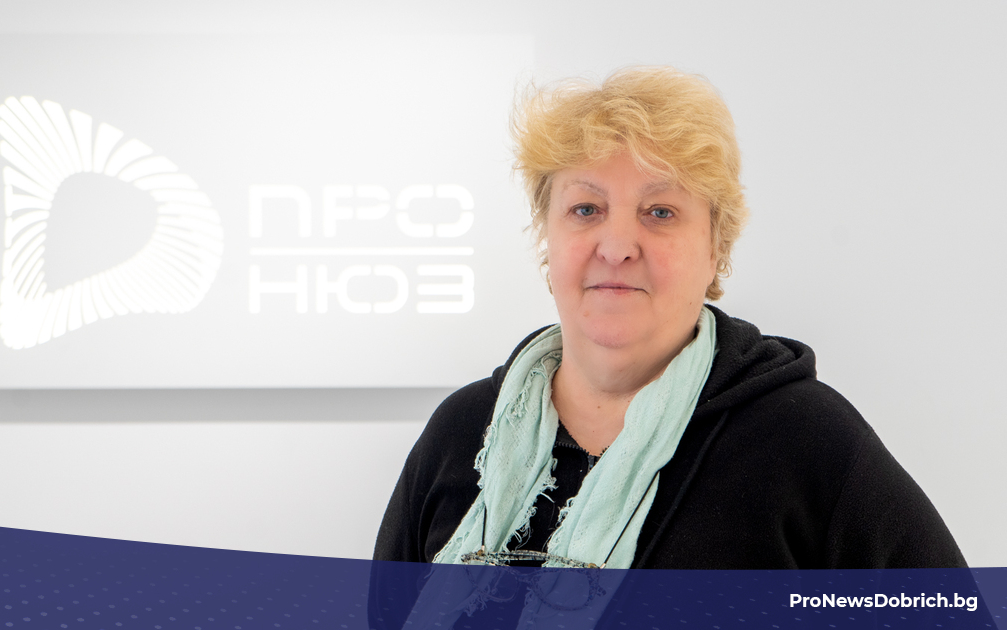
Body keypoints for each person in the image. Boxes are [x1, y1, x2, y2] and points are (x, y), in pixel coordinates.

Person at [372, 66, 965, 571]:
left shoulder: (806, 441)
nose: (617, 246)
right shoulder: (462, 432)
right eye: (586, 208)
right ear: (547, 239)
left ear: (715, 247)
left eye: (660, 211)